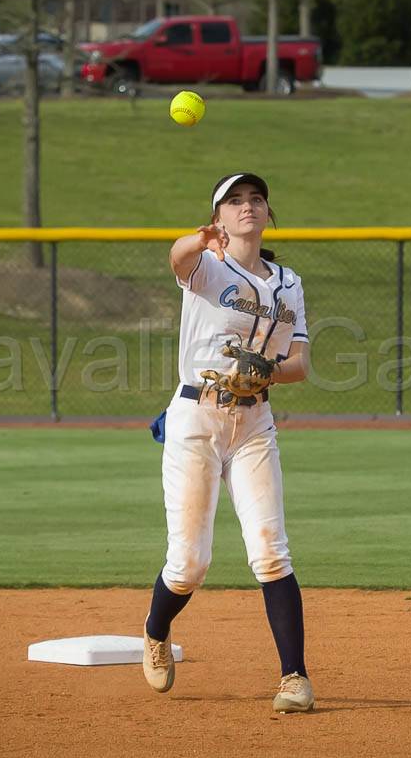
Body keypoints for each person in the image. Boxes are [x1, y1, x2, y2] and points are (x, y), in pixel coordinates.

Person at [142, 172, 314, 713]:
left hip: (254, 423)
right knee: (190, 563)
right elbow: (176, 259)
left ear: (268, 213)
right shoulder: (208, 267)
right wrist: (198, 240)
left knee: (270, 550)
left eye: (255, 199)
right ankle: (155, 630)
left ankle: (294, 678)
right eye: (234, 202)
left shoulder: (289, 284)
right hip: (196, 419)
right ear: (219, 217)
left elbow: (301, 365)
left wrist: (269, 371)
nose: (247, 207)